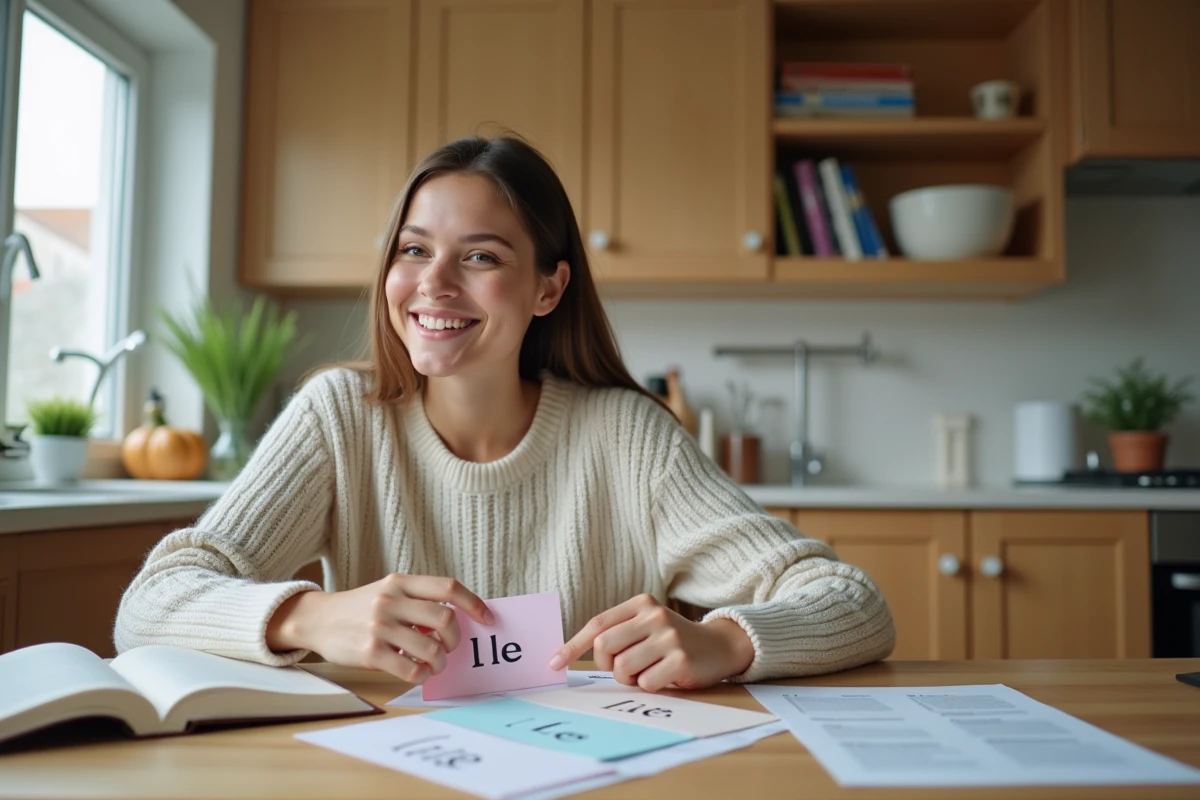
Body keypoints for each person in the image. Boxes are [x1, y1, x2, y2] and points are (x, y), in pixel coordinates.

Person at [115, 135, 894, 691]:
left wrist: (724, 640)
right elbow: (148, 606)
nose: (434, 284)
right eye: (413, 250)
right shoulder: (337, 417)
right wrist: (310, 618)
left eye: (480, 256)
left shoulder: (628, 435)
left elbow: (853, 602)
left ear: (548, 289)